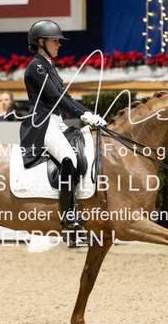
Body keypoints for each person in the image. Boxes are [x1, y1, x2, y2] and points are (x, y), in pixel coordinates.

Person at [20, 19, 106, 230]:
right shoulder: (36, 66)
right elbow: (56, 97)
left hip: (57, 122)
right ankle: (69, 215)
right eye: (55, 41)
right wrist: (84, 115)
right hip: (43, 124)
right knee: (68, 157)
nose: (59, 44)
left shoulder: (49, 66)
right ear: (41, 42)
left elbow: (65, 97)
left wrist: (89, 114)